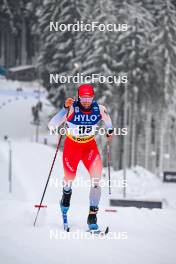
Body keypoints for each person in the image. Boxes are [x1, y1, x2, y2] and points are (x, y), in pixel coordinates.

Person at [48, 84, 113, 231]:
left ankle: (92, 218)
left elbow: (108, 122)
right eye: (83, 98)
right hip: (72, 147)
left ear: (93, 97)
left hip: (89, 147)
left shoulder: (99, 109)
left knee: (96, 180)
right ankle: (64, 203)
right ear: (78, 97)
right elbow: (52, 124)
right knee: (69, 180)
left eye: (88, 98)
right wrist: (64, 109)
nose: (86, 101)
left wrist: (110, 131)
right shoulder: (72, 108)